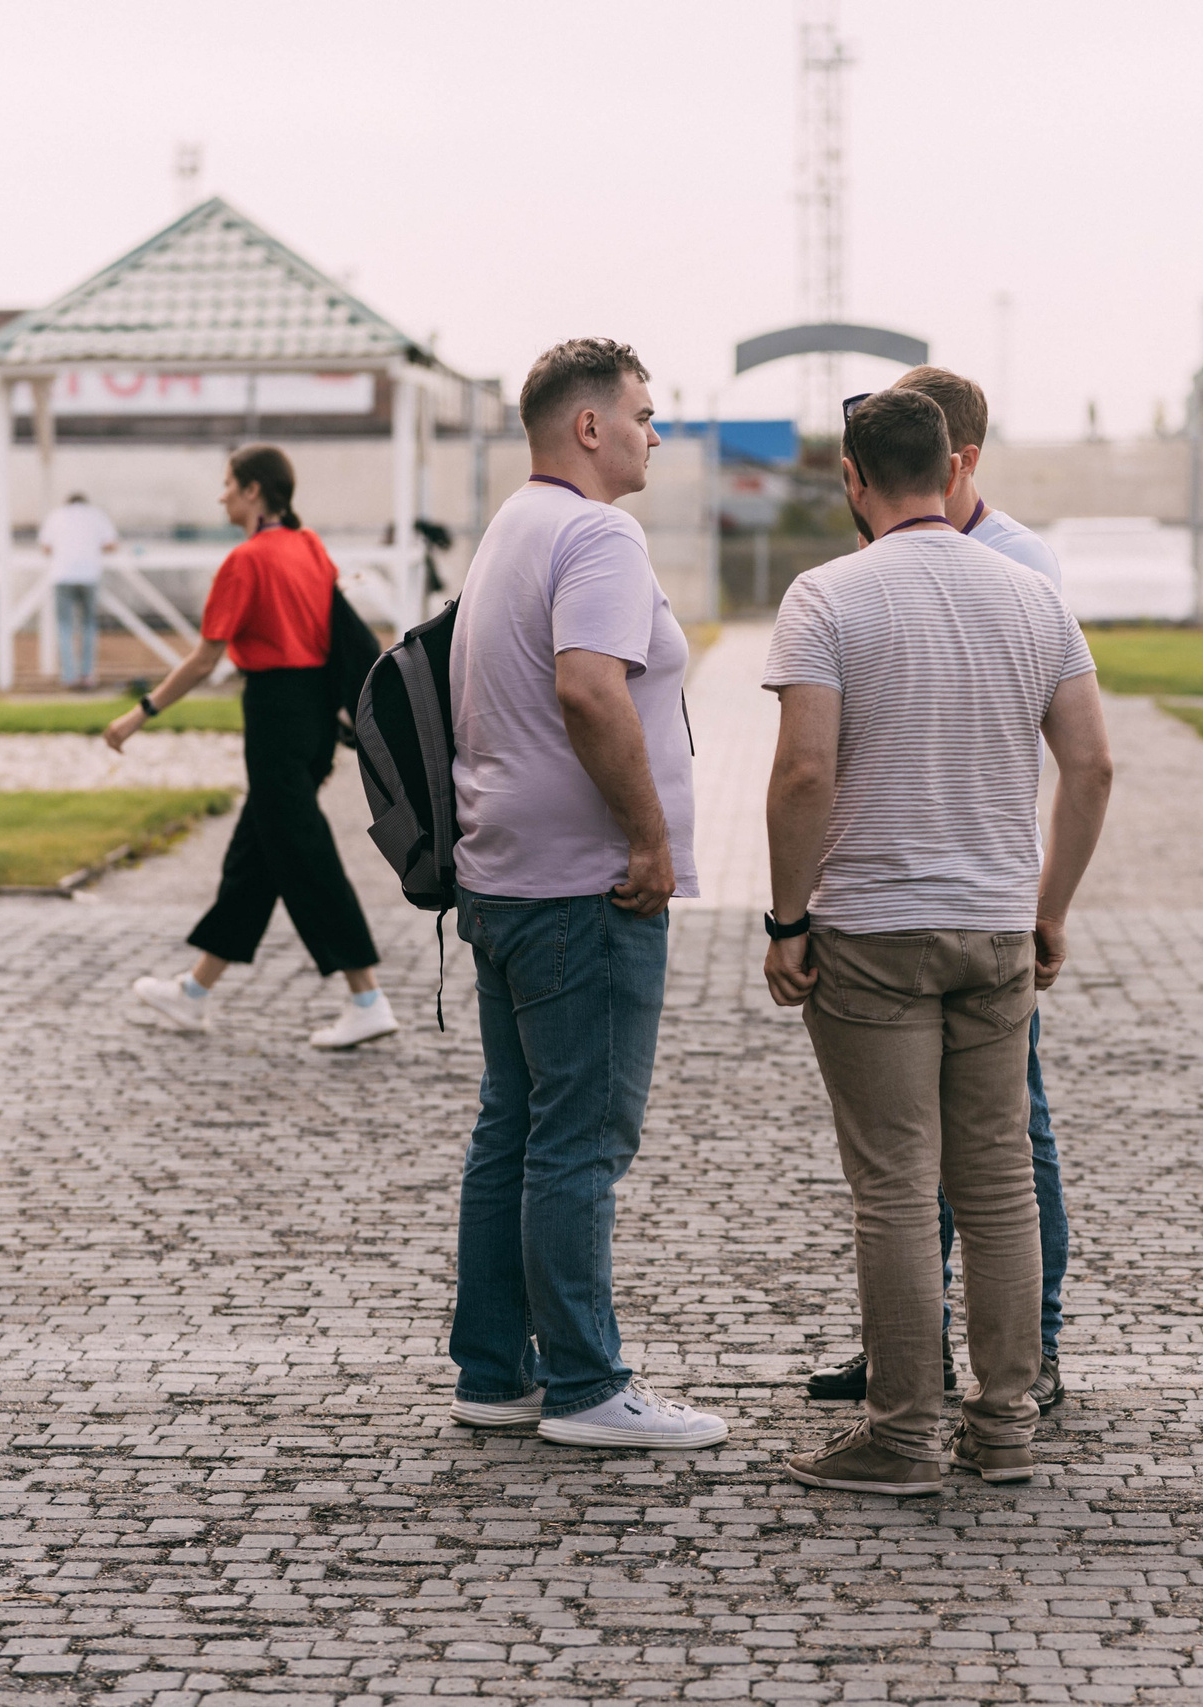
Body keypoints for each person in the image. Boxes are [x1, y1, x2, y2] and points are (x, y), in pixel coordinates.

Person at [764, 388, 1112, 1496]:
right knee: (1000, 1182)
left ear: (855, 481)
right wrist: (1049, 905)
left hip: (870, 927)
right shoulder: (1030, 596)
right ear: (951, 468)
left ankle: (905, 1432)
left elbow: (804, 774)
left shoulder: (824, 597)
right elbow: (1093, 764)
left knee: (896, 1189)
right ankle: (1004, 1424)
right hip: (996, 926)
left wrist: (786, 917)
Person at [443, 337, 724, 1451]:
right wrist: (648, 842)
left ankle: (493, 1370)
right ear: (591, 427)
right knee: (578, 1141)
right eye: (645, 414)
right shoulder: (600, 532)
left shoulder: (512, 526)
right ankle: (587, 1388)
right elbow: (589, 689)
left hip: (502, 874)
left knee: (512, 1130)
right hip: (581, 885)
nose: (656, 432)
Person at [108, 446, 395, 1050]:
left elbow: (205, 657)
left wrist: (142, 712)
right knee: (255, 858)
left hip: (274, 715)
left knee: (305, 855)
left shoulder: (245, 562)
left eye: (228, 485)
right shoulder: (309, 546)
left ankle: (367, 998)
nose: (222, 496)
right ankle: (193, 993)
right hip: (316, 716)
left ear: (255, 491)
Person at [38, 492, 121, 691]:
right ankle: (87, 674)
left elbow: (45, 546)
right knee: (88, 625)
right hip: (89, 575)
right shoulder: (96, 515)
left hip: (62, 575)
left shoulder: (56, 515)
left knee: (65, 626)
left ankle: (69, 675)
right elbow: (111, 544)